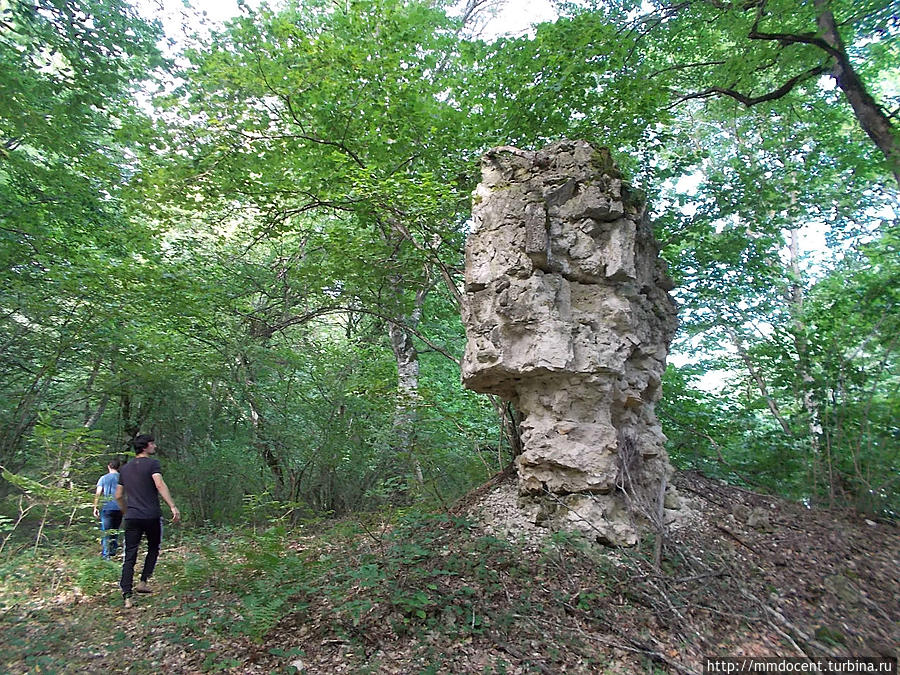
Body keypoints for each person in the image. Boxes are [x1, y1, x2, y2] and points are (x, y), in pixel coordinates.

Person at [116, 434, 180, 608]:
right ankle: (143, 581)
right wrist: (172, 506)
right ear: (145, 447)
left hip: (132, 517)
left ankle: (127, 595)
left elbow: (118, 495)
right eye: (152, 443)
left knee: (129, 554)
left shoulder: (125, 469)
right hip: (151, 515)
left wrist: (125, 512)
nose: (155, 446)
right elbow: (159, 485)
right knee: (153, 548)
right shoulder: (153, 464)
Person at [93, 456, 124, 559]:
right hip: (119, 508)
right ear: (118, 467)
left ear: (108, 466)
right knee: (115, 530)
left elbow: (98, 493)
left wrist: (95, 507)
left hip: (107, 508)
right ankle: (113, 552)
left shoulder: (103, 478)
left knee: (106, 532)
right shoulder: (122, 478)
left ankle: (106, 556)